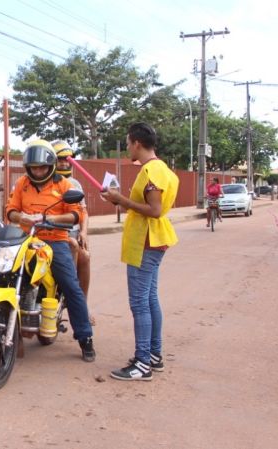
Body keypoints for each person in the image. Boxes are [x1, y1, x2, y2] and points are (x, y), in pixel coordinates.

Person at [101, 123, 179, 381]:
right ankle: (153, 356)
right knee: (149, 299)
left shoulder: (150, 171)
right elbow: (148, 206)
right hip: (155, 239)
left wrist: (121, 200)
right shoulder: (163, 169)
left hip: (146, 241)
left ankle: (143, 363)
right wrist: (118, 199)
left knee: (139, 303)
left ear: (136, 143)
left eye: (128, 143)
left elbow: (154, 209)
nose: (127, 148)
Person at [5, 139, 95, 362]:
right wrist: (21, 217)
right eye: (34, 167)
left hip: (55, 240)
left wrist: (49, 218)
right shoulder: (22, 183)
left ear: (51, 165)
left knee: (71, 286)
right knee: (6, 274)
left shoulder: (64, 185)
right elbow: (10, 210)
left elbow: (76, 214)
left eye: (42, 167)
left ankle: (85, 338)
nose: (38, 171)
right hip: (26, 239)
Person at [51, 140, 94, 325]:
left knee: (84, 255)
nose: (65, 163)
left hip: (72, 233)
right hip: (50, 233)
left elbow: (83, 212)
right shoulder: (43, 182)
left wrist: (84, 232)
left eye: (68, 159)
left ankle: (80, 305)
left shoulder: (74, 183)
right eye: (60, 160)